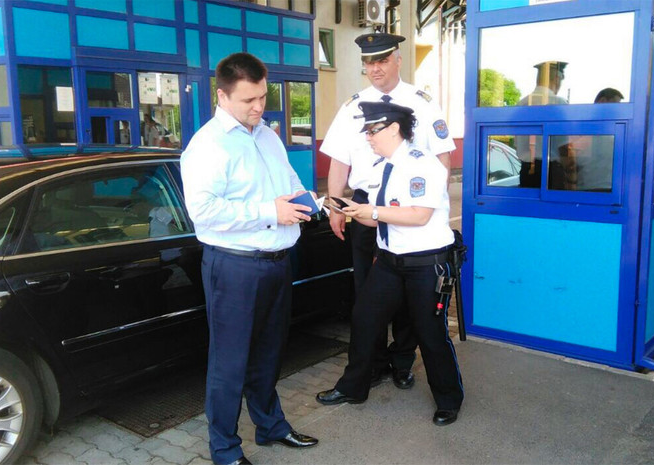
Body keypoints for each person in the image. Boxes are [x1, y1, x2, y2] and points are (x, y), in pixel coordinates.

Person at [180, 52, 318, 465]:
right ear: (222, 97)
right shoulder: (208, 145)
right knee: (230, 363)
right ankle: (224, 449)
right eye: (248, 100)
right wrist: (268, 211)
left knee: (269, 353)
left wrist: (309, 201)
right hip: (234, 266)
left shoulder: (267, 136)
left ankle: (270, 426)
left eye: (262, 96)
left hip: (277, 260)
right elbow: (203, 212)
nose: (259, 107)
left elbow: (288, 181)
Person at [320, 32, 455, 390]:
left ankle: (402, 360)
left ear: (398, 60)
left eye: (381, 60)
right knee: (369, 292)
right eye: (368, 62)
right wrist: (335, 207)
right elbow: (339, 161)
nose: (375, 68)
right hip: (364, 206)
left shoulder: (422, 103)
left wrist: (434, 207)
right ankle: (373, 364)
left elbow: (442, 158)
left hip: (407, 209)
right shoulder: (352, 107)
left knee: (412, 296)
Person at [316, 101, 464, 426]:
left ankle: (448, 399)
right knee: (364, 319)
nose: (368, 137)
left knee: (430, 332)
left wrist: (372, 212)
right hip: (389, 261)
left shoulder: (424, 165)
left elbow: (419, 215)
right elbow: (377, 217)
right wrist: (346, 208)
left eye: (373, 130)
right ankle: (353, 387)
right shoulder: (384, 166)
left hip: (425, 264)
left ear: (394, 129)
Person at [515, 61, 569, 188]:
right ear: (557, 79)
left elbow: (517, 143)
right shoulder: (558, 103)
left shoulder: (521, 104)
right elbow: (564, 146)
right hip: (551, 173)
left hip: (526, 171)